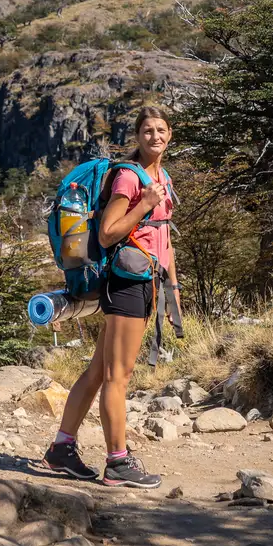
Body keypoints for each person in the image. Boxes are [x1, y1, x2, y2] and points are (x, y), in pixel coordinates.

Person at [43, 106, 180, 489]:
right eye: (148, 130)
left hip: (147, 282)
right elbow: (107, 234)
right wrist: (144, 203)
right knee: (117, 377)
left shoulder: (162, 177)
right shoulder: (127, 177)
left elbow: (164, 239)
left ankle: (61, 449)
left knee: (97, 372)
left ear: (170, 135)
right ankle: (118, 462)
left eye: (162, 130)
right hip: (125, 283)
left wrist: (174, 293)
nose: (155, 136)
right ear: (137, 136)